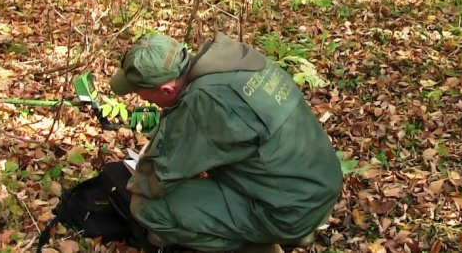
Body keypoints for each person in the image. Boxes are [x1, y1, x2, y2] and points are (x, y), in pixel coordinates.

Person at [109, 31, 343, 253]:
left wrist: (137, 176)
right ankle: (295, 229)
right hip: (320, 183)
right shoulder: (232, 59)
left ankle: (261, 245)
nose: (140, 99)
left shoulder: (204, 101)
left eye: (140, 93)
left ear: (167, 89)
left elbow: (156, 178)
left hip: (291, 208)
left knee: (147, 208)